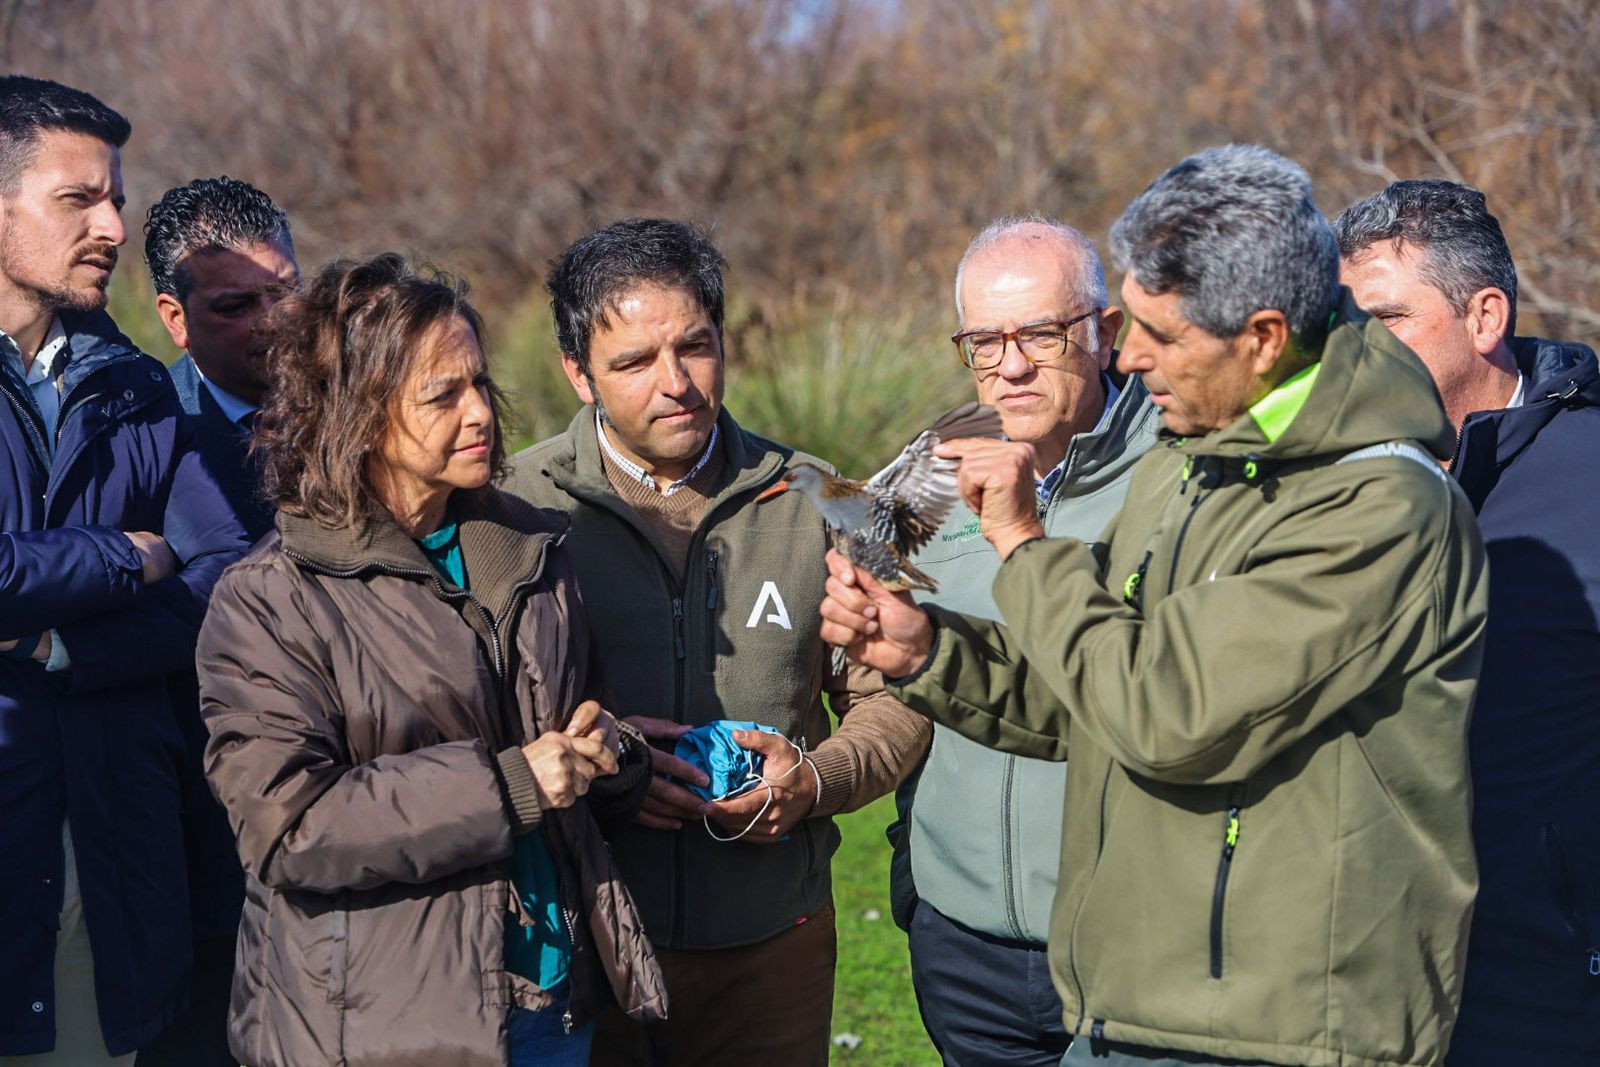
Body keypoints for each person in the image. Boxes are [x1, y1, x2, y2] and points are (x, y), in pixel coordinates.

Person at [820, 146, 1488, 1067]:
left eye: (1158, 336)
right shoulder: (1189, 466)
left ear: (1259, 338)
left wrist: (1021, 545)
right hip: (1143, 999)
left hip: (1281, 1019)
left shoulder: (1377, 505)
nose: (1128, 357)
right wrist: (931, 651)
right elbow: (1098, 689)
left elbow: (1165, 714)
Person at [195, 254, 664, 1067]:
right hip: (380, 1029)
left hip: (554, 1007)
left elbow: (580, 723)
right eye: (443, 395)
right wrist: (515, 781)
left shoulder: (532, 547)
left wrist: (610, 753)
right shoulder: (270, 598)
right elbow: (290, 823)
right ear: (358, 415)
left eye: (479, 382)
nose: (481, 411)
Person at [507, 217, 929, 1066]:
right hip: (585, 945)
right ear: (577, 372)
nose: (676, 384)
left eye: (695, 346)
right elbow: (466, 720)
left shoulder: (824, 497)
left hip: (773, 949)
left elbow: (902, 697)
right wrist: (607, 773)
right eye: (632, 362)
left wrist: (816, 778)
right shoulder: (512, 508)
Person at [0, 76, 248, 1066]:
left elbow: (230, 576)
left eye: (115, 197)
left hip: (108, 869)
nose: (112, 223)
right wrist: (119, 554)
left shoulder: (134, 385)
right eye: (78, 199)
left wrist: (64, 642)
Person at [1336, 179, 1600, 1067]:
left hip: (1546, 979)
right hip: (1363, 968)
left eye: (1388, 320)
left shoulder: (1592, 474)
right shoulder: (1331, 487)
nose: (1356, 354)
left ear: (1484, 315)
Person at [888, 215, 1158, 1066]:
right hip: (962, 949)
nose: (1009, 367)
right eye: (982, 342)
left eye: (1040, 334)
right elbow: (903, 681)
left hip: (1132, 944)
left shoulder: (1182, 474)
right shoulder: (930, 473)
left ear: (1106, 333)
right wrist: (915, 881)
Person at [132, 175, 299, 1067]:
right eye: (239, 305)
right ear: (174, 314)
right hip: (204, 862)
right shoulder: (138, 437)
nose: (275, 323)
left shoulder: (376, 408)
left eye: (287, 290)